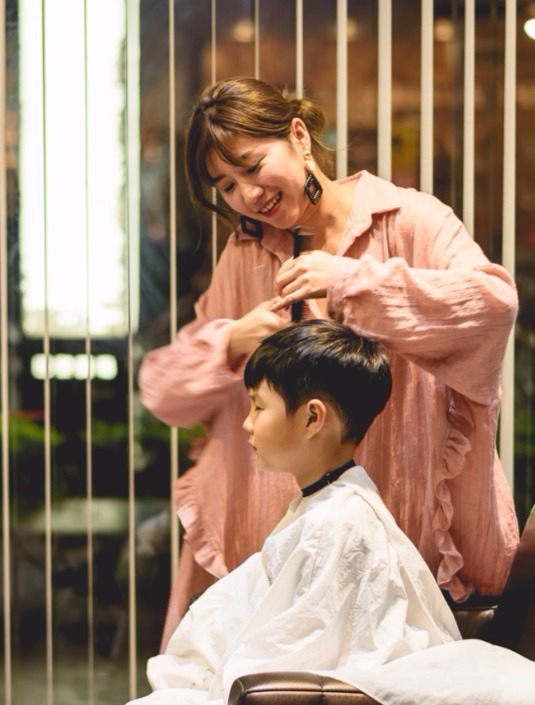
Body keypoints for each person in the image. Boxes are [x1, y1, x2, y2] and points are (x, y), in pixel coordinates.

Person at [138, 76, 520, 650]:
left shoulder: (408, 221)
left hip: (405, 555)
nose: (247, 195)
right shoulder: (248, 253)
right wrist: (231, 340)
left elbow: (491, 306)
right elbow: (164, 390)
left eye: (252, 166)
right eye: (226, 185)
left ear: (298, 136)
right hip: (279, 564)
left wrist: (351, 283)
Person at [128, 320, 463, 705]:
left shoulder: (339, 521)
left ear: (312, 418)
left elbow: (305, 648)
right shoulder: (326, 504)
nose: (247, 423)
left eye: (258, 407)